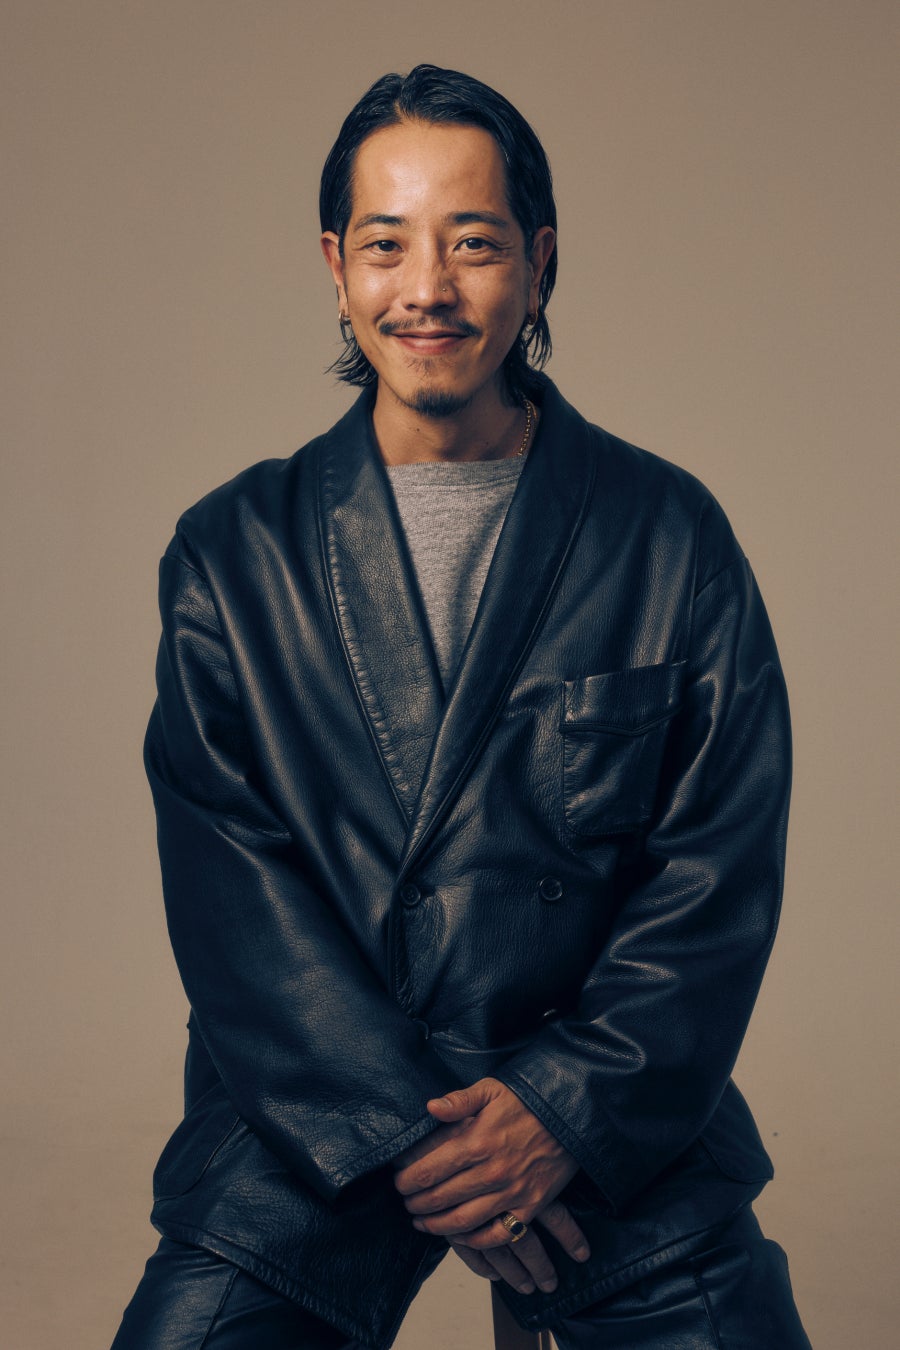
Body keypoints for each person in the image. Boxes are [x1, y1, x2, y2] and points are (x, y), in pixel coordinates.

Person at [112, 64, 811, 1350]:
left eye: (473, 244)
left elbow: (716, 868)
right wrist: (425, 1147)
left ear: (538, 265)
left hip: (603, 1110)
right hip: (320, 1114)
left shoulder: (669, 534)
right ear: (336, 267)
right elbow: (234, 903)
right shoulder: (233, 552)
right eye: (387, 245)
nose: (426, 288)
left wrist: (560, 1115)